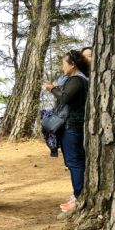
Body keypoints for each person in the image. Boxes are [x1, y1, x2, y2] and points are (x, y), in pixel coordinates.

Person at [45, 50, 90, 213]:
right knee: (73, 161)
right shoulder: (77, 79)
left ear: (73, 64)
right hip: (72, 126)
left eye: (65, 63)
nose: (63, 66)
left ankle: (79, 196)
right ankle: (78, 193)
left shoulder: (77, 79)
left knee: (74, 162)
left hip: (72, 126)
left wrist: (51, 89)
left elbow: (64, 98)